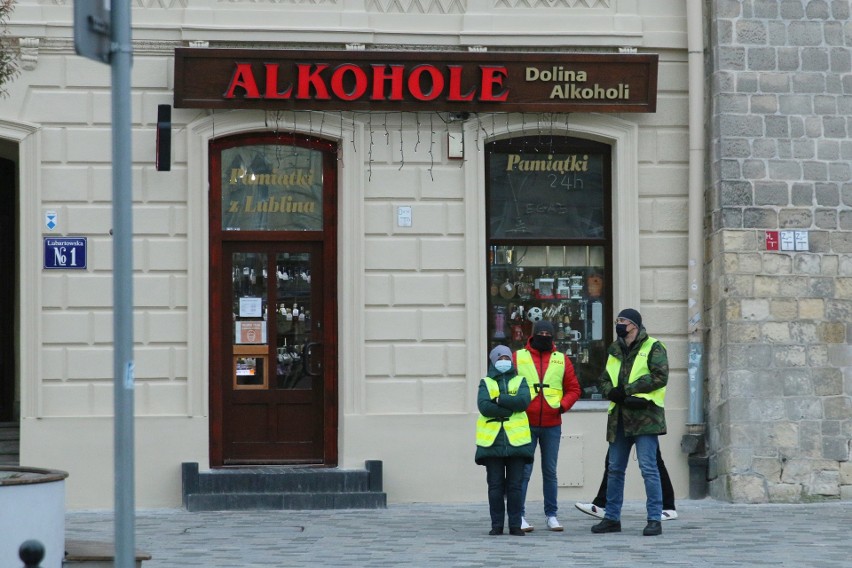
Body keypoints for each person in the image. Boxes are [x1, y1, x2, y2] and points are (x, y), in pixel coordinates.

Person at [590, 308, 668, 537]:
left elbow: (660, 376)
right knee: (614, 469)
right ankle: (612, 518)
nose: (619, 324)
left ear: (634, 324)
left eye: (622, 321)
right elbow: (603, 379)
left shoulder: (653, 346)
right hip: (620, 418)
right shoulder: (614, 349)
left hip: (645, 417)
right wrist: (611, 392)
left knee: (648, 469)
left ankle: (654, 519)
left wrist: (628, 390)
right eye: (618, 321)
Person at [514, 320, 581, 532]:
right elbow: (508, 385)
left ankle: (551, 515)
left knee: (550, 472)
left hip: (552, 423)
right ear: (533, 335)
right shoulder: (519, 357)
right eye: (540, 332)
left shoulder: (561, 359)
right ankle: (519, 516)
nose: (544, 336)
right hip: (525, 422)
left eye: (548, 333)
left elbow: (574, 388)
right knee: (523, 472)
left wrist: (562, 406)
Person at [475, 345, 534, 536]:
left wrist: (499, 400)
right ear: (493, 360)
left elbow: (524, 402)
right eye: (499, 357)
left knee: (516, 486)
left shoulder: (520, 380)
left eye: (507, 357)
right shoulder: (485, 382)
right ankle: (497, 525)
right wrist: (510, 408)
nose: (504, 361)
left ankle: (515, 525)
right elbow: (484, 406)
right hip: (492, 443)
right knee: (495, 486)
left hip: (517, 443)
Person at [574, 447, 678, 520]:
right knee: (612, 462)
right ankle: (602, 503)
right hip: (625, 422)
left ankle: (668, 506)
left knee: (652, 462)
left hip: (644, 423)